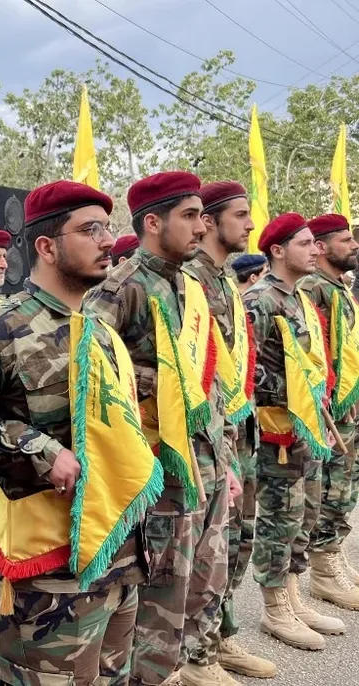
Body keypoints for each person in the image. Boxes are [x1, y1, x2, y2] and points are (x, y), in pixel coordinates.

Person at [0, 180, 161, 685]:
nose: (108, 240)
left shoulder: (102, 331)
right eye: (90, 229)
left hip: (119, 553)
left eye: (108, 228)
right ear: (46, 246)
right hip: (49, 569)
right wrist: (39, 449)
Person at [83, 171, 234, 686]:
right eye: (189, 216)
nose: (200, 226)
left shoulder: (189, 285)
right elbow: (93, 372)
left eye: (201, 215)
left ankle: (187, 664)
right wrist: (161, 380)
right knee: (157, 592)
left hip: (204, 462)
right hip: (157, 471)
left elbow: (204, 383)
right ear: (152, 222)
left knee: (202, 578)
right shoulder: (121, 286)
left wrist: (225, 461)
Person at [184, 182, 276, 681]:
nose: (249, 224)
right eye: (240, 215)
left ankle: (220, 637)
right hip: (201, 441)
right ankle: (196, 655)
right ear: (211, 222)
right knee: (203, 553)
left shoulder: (222, 280)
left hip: (234, 432)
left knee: (233, 545)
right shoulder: (190, 280)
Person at [243, 213, 344, 651]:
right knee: (279, 521)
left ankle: (294, 595)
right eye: (305, 243)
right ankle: (274, 607)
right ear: (278, 251)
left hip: (308, 428)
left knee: (304, 517)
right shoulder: (260, 300)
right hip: (276, 431)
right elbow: (246, 371)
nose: (314, 249)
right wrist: (292, 390)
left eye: (314, 243)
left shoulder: (300, 297)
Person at [298, 214, 359, 609]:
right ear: (320, 247)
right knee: (332, 487)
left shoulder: (339, 288)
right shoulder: (313, 290)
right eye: (344, 240)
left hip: (349, 406)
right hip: (329, 410)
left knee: (347, 484)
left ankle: (334, 553)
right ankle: (323, 569)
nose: (353, 246)